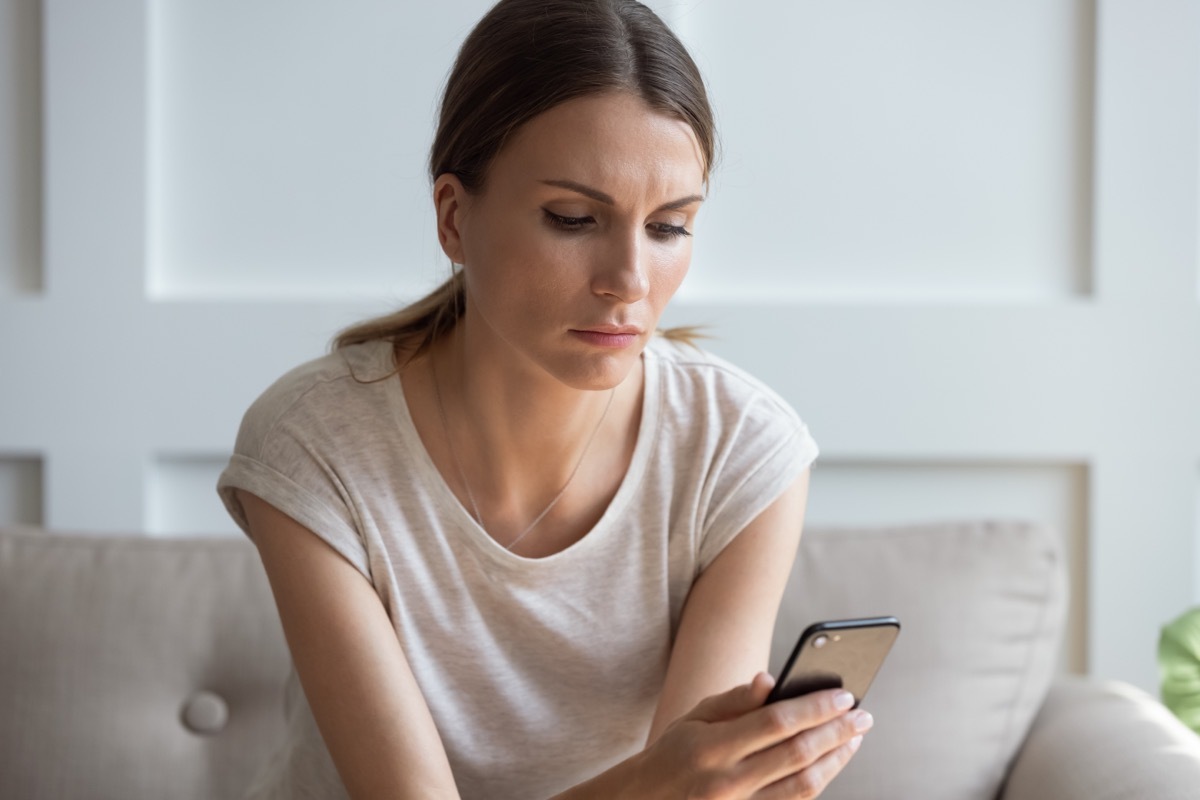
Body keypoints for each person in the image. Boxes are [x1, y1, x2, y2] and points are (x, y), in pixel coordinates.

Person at [217, 0, 872, 797]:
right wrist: (655, 787)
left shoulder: (740, 449)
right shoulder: (315, 443)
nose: (629, 280)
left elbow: (694, 790)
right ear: (455, 218)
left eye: (669, 227)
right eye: (572, 218)